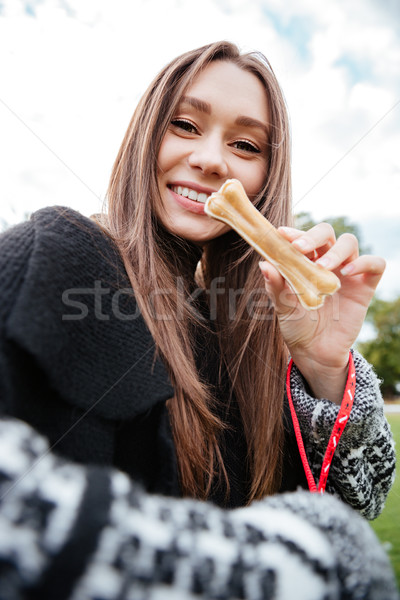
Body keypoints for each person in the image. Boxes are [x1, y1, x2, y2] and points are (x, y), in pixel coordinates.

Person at [0, 40, 397, 599]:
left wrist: (324, 363)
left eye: (244, 144)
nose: (213, 159)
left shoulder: (255, 328)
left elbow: (364, 498)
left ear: (267, 176)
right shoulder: (60, 255)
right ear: (146, 136)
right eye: (185, 125)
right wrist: (294, 565)